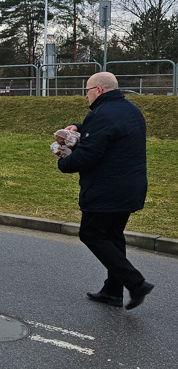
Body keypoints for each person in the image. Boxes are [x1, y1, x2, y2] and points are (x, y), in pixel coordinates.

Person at [57, 71, 153, 310]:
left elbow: (88, 156)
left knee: (91, 234)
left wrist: (62, 161)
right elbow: (109, 133)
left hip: (106, 190)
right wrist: (79, 127)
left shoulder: (101, 115)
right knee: (113, 235)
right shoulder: (130, 110)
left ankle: (136, 283)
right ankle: (112, 291)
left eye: (87, 91)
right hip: (131, 187)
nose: (86, 96)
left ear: (98, 90)